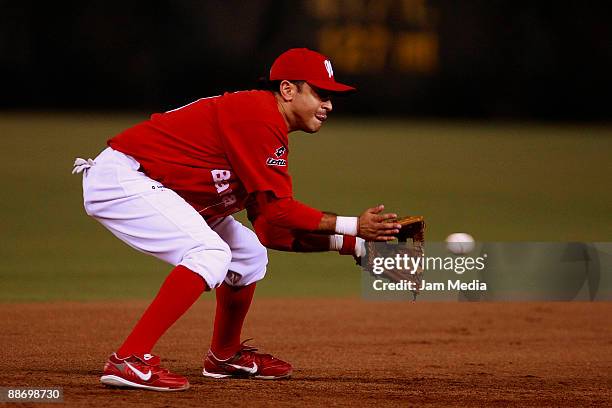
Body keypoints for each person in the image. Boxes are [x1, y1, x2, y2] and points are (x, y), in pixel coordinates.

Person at [73, 48, 402, 391]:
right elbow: (281, 210)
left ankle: (224, 356)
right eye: (320, 94)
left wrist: (353, 244)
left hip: (164, 187)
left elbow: (270, 230)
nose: (329, 105)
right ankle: (129, 358)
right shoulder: (257, 115)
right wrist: (353, 226)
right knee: (209, 253)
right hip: (124, 178)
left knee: (248, 254)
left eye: (331, 97)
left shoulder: (265, 127)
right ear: (288, 90)